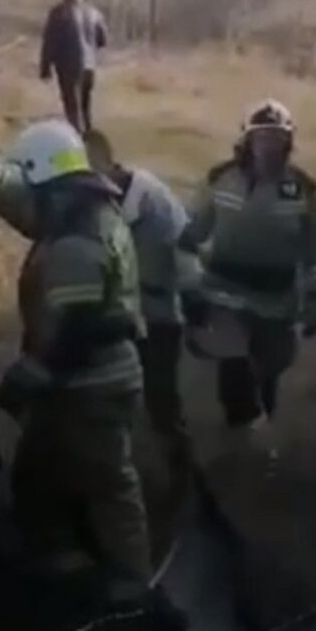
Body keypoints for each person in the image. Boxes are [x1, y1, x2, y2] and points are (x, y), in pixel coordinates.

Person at [0, 120, 150, 599]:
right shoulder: (77, 211)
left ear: (44, 178)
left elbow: (77, 324)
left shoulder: (77, 238)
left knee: (106, 484)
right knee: (39, 475)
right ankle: (58, 566)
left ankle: (134, 588)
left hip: (91, 385)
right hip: (83, 381)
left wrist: (33, 373)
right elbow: (20, 203)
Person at [179, 100, 316, 432]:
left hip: (276, 302)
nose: (268, 146)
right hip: (223, 295)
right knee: (234, 372)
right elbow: (188, 237)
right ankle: (239, 435)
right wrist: (190, 290)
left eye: (277, 138)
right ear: (247, 142)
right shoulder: (221, 181)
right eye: (261, 137)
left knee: (268, 372)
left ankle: (258, 441)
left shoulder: (302, 191)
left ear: (288, 143)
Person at [84, 129, 200, 477]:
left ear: (108, 163)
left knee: (161, 402)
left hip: (160, 317)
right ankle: (120, 472)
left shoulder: (153, 200)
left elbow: (184, 247)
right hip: (120, 318)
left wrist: (192, 293)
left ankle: (182, 476)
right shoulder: (94, 204)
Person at [40, 0, 108, 133]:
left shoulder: (58, 12)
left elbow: (49, 41)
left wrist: (45, 68)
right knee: (85, 106)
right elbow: (103, 39)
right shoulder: (94, 13)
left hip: (68, 66)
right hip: (89, 66)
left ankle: (77, 141)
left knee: (72, 107)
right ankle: (89, 140)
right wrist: (91, 49)